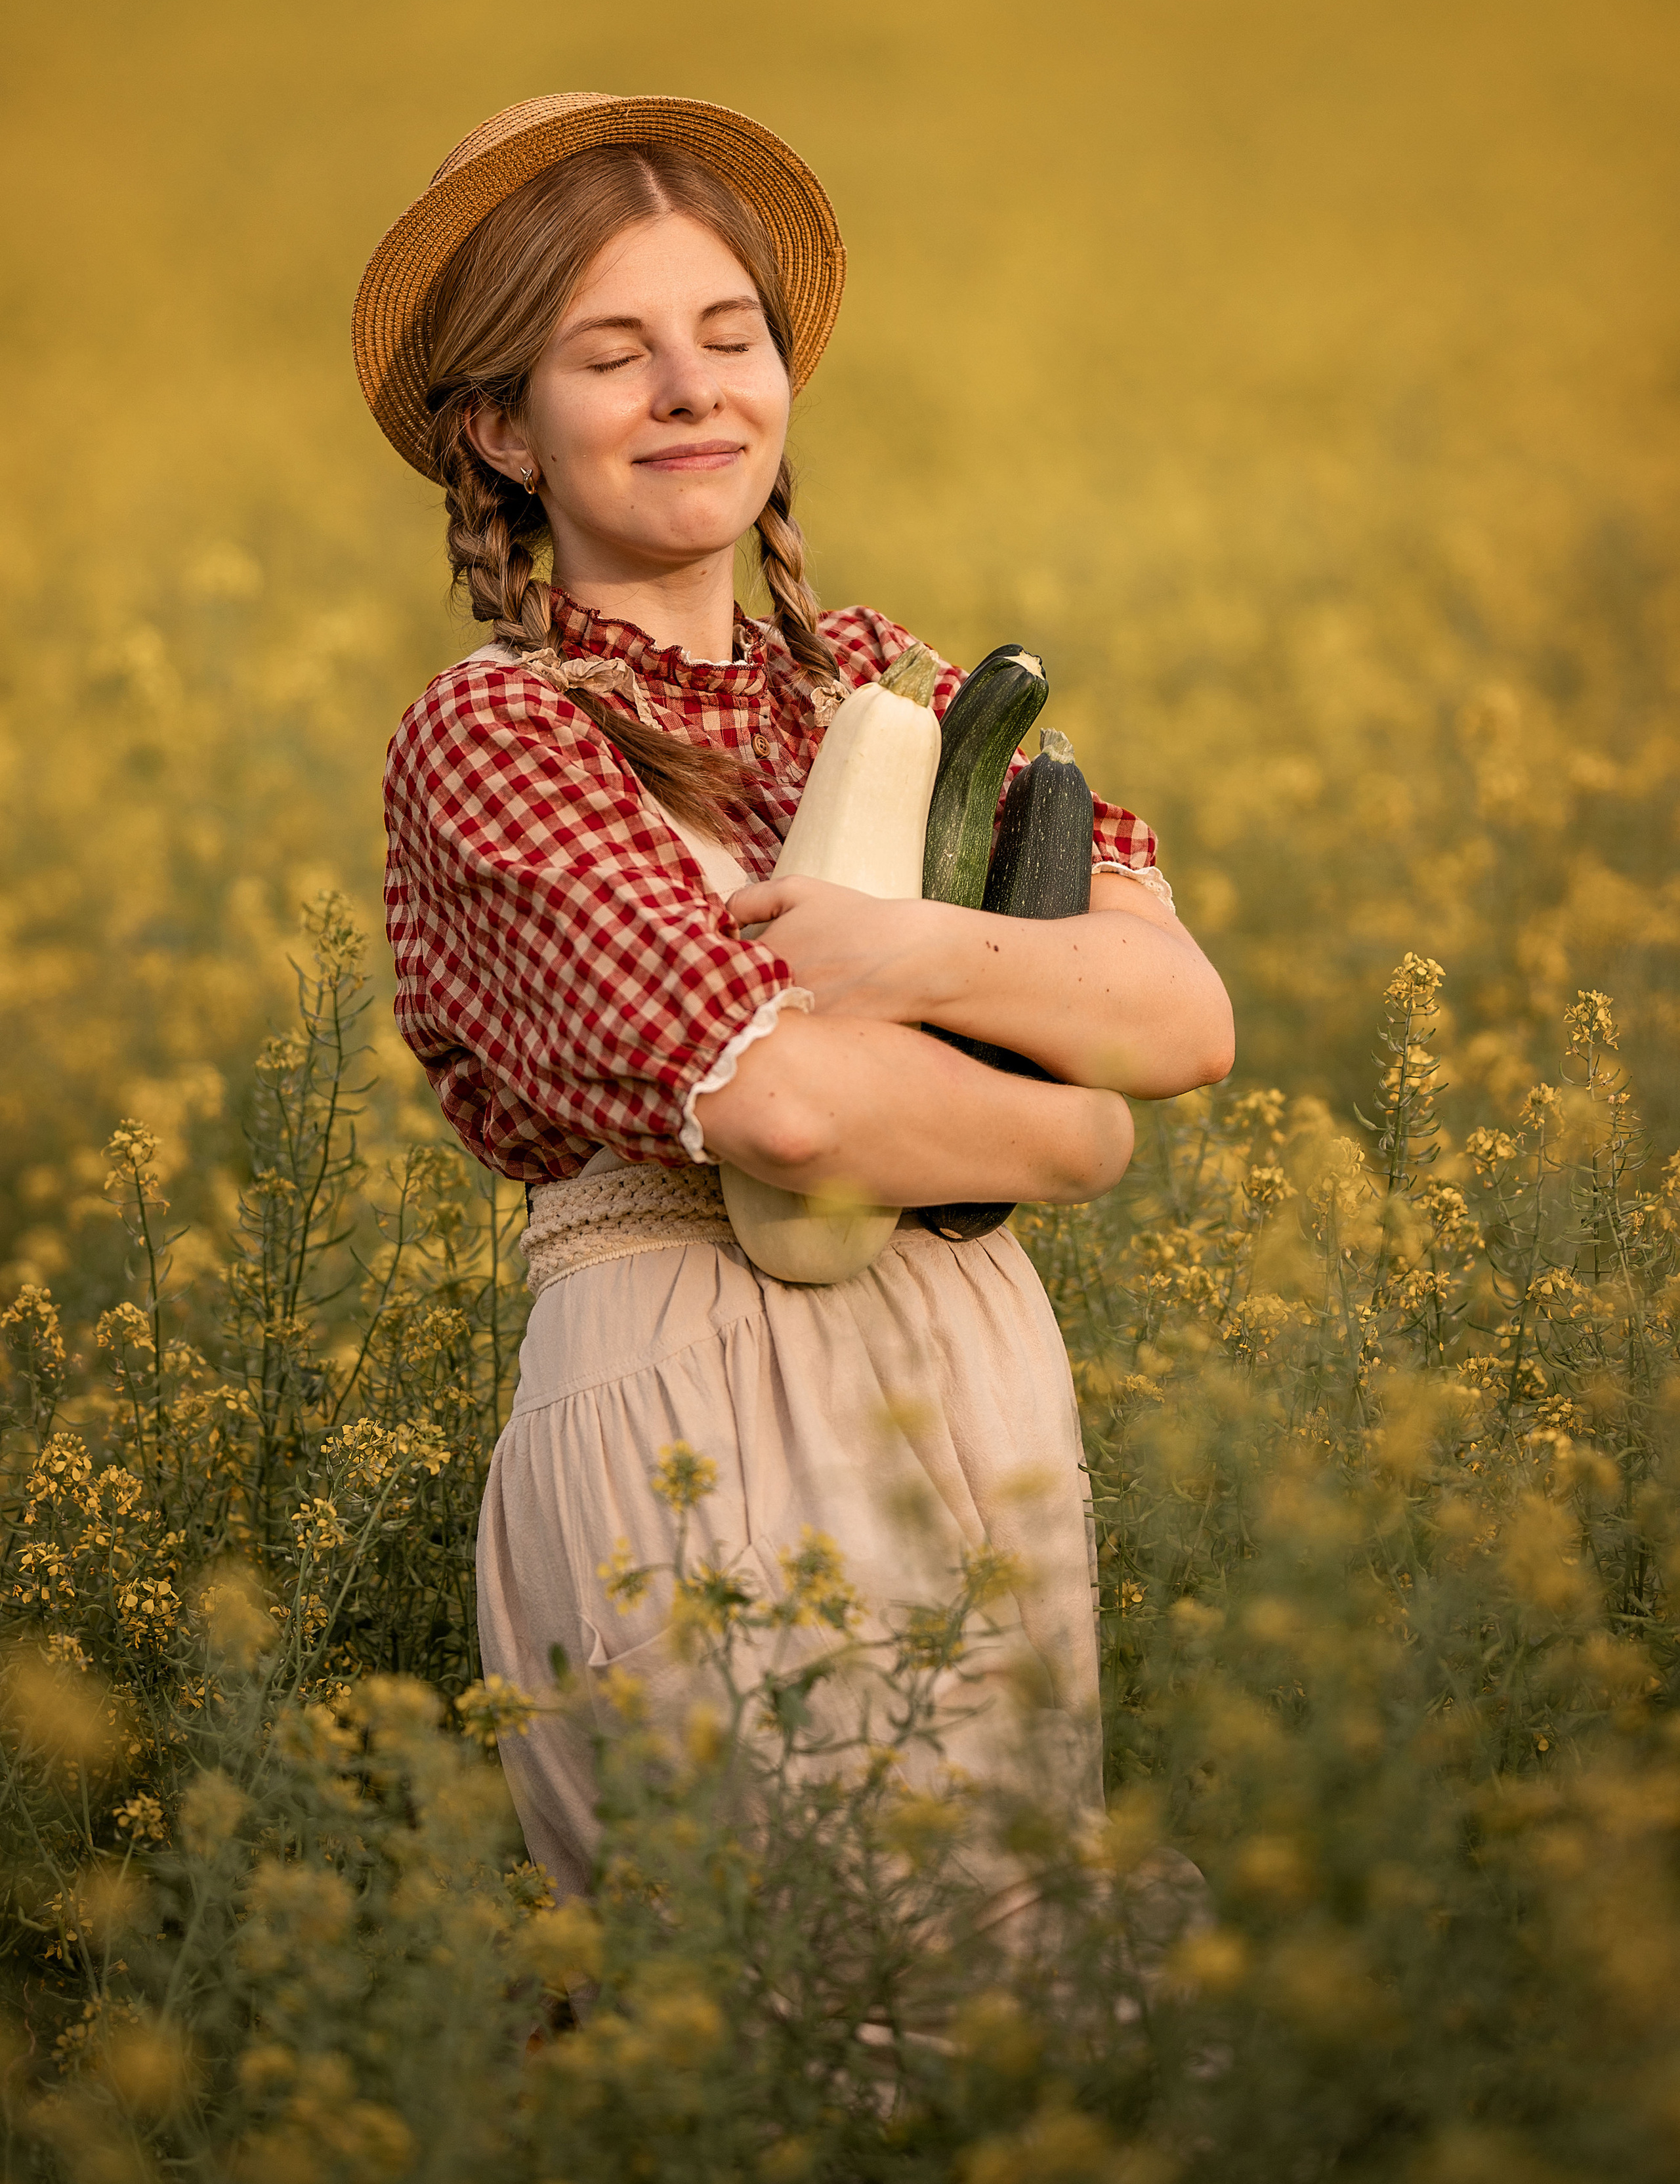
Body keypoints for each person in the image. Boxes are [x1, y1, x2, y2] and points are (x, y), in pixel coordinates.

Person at [356, 93, 1234, 1904]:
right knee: (775, 2013)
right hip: (696, 1389)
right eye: (613, 356)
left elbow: (1182, 1015)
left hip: (968, 1386)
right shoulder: (499, 729)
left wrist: (907, 955)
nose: (691, 389)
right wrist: (1070, 1127)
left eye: (727, 337)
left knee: (1001, 1999)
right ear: (502, 433)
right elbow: (787, 1115)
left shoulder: (897, 686)